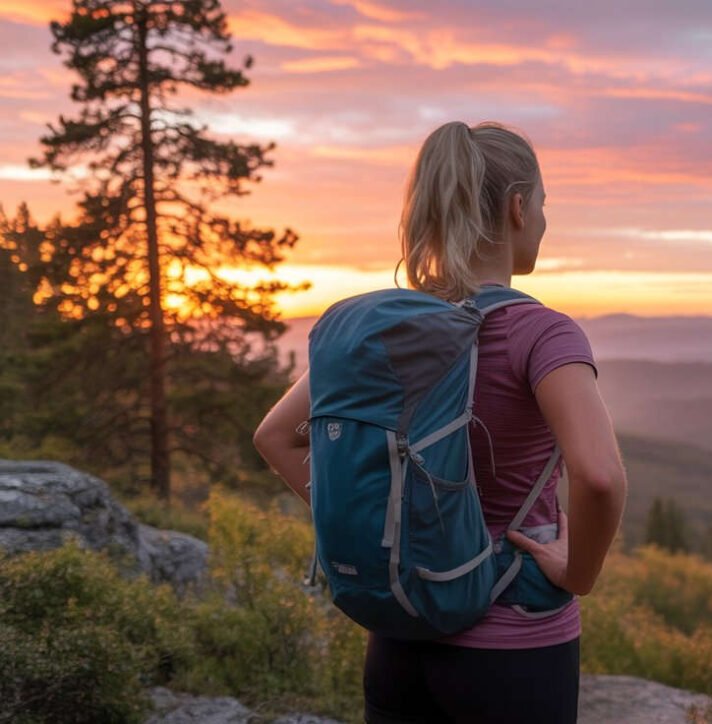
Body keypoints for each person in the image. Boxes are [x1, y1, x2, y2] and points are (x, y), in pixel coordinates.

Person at [253, 121, 628, 723]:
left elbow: (275, 436)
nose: (543, 221)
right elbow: (601, 478)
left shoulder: (390, 331)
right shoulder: (543, 332)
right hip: (514, 643)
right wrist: (577, 571)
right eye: (542, 205)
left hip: (400, 638)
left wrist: (376, 522)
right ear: (515, 208)